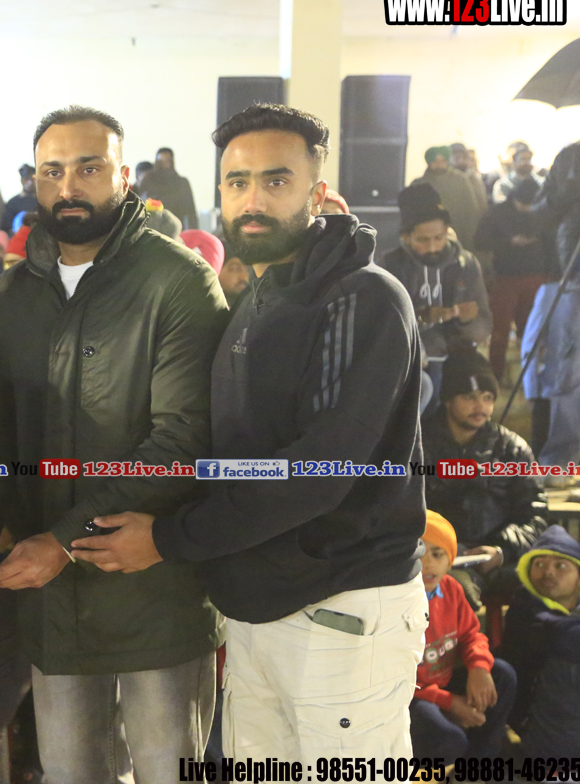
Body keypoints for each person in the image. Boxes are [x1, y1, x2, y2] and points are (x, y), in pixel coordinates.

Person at [73, 103, 429, 759]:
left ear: (316, 194)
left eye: (276, 180)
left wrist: (169, 537)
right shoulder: (256, 300)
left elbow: (317, 473)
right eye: (238, 182)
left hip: (340, 610)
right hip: (257, 608)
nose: (253, 199)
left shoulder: (361, 297)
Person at [0, 105, 228, 783]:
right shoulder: (14, 292)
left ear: (124, 176)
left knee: (167, 771)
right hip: (52, 604)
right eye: (52, 171)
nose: (69, 186)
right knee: (69, 773)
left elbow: (183, 440)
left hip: (154, 593)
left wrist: (62, 540)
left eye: (89, 168)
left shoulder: (177, 280)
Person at [421, 351, 547, 609]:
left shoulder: (512, 448)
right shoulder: (418, 445)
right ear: (448, 399)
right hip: (436, 558)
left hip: (499, 556)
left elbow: (535, 515)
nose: (480, 407)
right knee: (455, 590)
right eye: (469, 397)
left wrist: (501, 550)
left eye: (487, 397)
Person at [411, 511, 516, 762]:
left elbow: (471, 635)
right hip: (413, 696)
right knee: (449, 740)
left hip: (444, 682)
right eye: (418, 554)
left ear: (450, 560)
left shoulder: (451, 588)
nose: (428, 564)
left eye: (437, 554)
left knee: (502, 675)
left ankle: (477, 766)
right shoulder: (395, 601)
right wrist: (448, 703)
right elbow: (394, 679)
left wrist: (478, 667)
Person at [381, 183, 490, 411]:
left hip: (456, 358)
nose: (432, 247)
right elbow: (383, 325)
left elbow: (484, 327)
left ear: (448, 231)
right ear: (406, 236)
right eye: (422, 240)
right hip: (409, 361)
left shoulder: (466, 264)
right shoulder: (390, 266)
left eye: (439, 238)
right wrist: (423, 317)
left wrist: (467, 320)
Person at [528, 103, 580, 470]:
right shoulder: (571, 158)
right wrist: (574, 190)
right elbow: (540, 214)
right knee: (572, 376)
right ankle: (559, 466)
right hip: (578, 279)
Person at [499, 525, 580, 764]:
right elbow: (568, 637)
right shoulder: (526, 609)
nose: (548, 572)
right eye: (538, 564)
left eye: (560, 566)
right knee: (574, 662)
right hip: (539, 723)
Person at [474, 176, 552, 379]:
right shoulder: (498, 212)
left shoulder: (543, 212)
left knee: (533, 331)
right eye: (522, 204)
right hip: (506, 278)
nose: (526, 209)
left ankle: (532, 379)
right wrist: (509, 242)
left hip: (536, 276)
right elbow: (480, 240)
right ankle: (495, 377)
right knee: (499, 330)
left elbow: (551, 242)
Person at [409, 146, 484, 256]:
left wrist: (470, 240)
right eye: (435, 161)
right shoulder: (418, 184)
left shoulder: (460, 180)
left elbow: (471, 212)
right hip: (428, 240)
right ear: (429, 163)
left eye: (442, 161)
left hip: (460, 235)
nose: (439, 165)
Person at [137, 146, 198, 229]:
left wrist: (191, 233)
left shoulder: (182, 183)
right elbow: (139, 207)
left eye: (167, 161)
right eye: (161, 162)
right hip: (152, 230)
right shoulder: (148, 181)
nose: (164, 165)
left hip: (177, 230)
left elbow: (190, 213)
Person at [450, 142, 489, 215]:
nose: (461, 161)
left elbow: (482, 205)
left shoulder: (475, 179)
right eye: (457, 158)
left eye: (464, 157)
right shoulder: (447, 181)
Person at [2, 163, 37, 232]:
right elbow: (6, 227)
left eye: (32, 179)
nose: (30, 182)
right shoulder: (12, 203)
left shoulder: (42, 201)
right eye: (27, 179)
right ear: (22, 180)